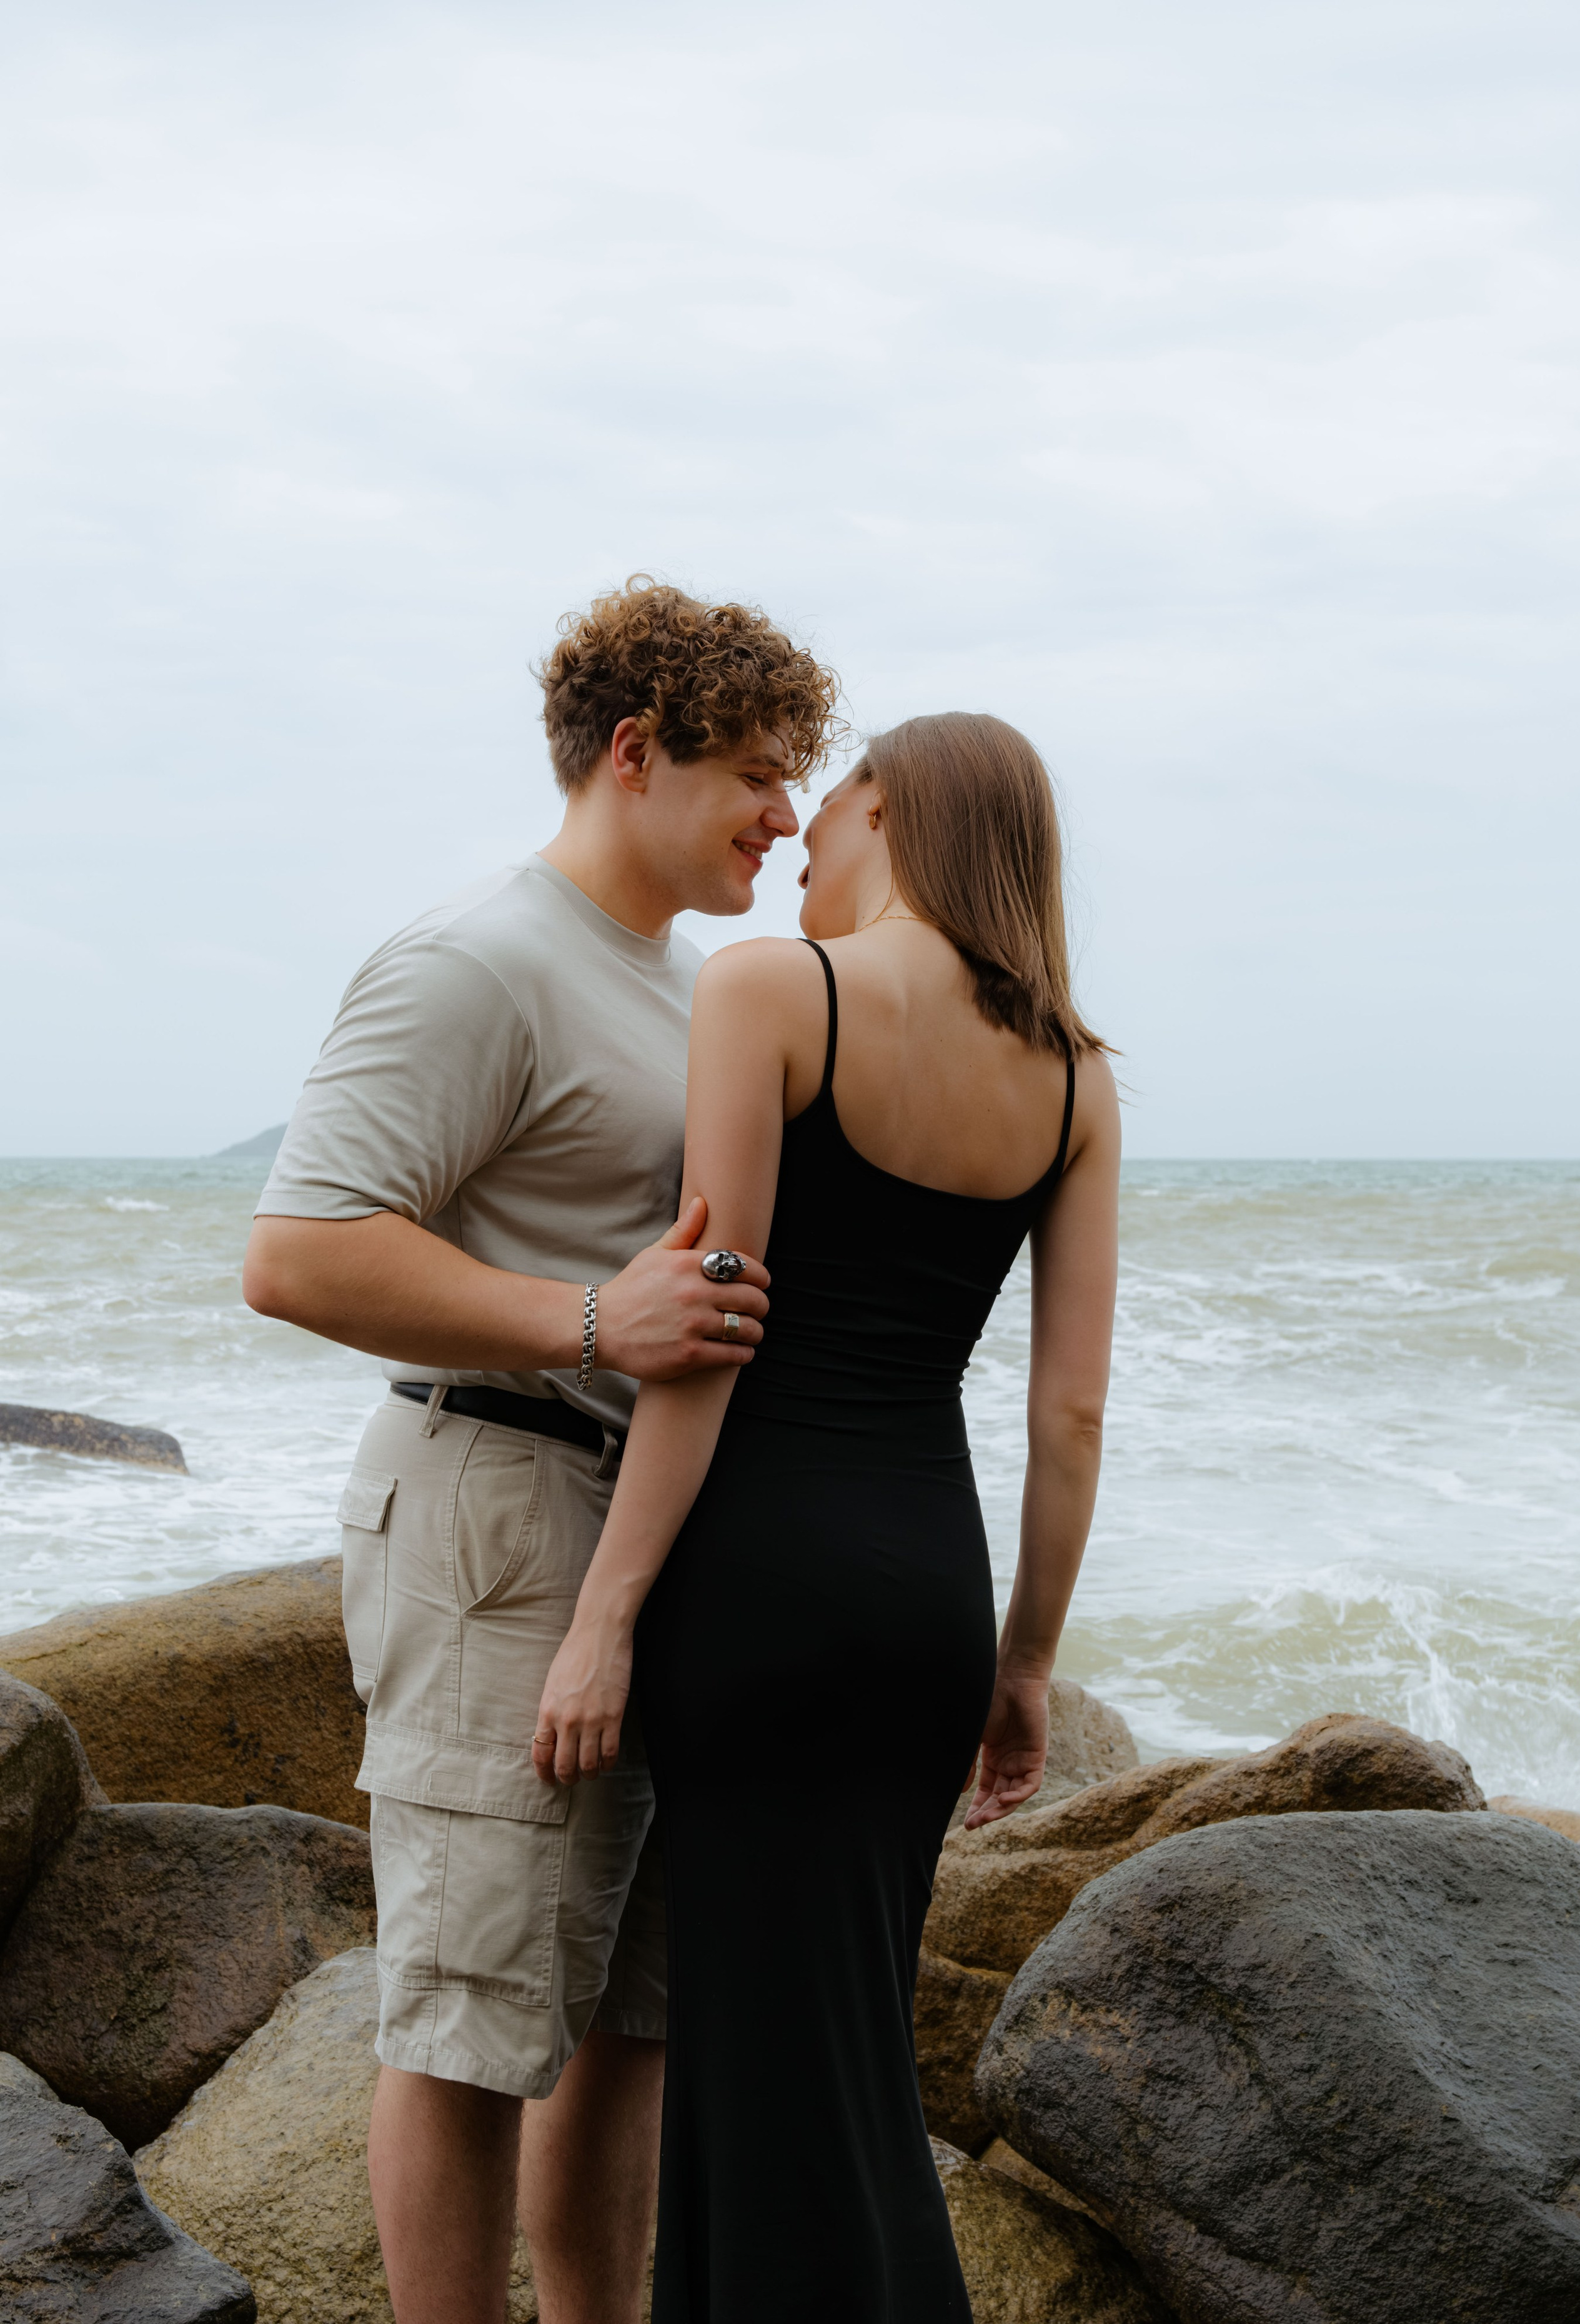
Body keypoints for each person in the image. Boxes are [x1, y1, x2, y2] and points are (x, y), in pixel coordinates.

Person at [241, 578, 841, 2324]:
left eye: (801, 781)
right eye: (758, 773)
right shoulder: (475, 961)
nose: (786, 818)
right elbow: (298, 1252)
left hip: (642, 1539)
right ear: (637, 754)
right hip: (498, 1511)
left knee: (621, 2021)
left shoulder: (682, 987)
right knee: (469, 2019)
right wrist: (595, 1321)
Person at [534, 710, 1121, 2322]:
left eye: (832, 804)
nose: (799, 836)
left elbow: (710, 1332)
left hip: (759, 1582)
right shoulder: (1076, 1072)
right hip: (928, 1588)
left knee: (763, 2056)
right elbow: (1068, 1415)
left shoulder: (770, 992)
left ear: (896, 812)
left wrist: (604, 1614)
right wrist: (1023, 1667)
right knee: (837, 2041)